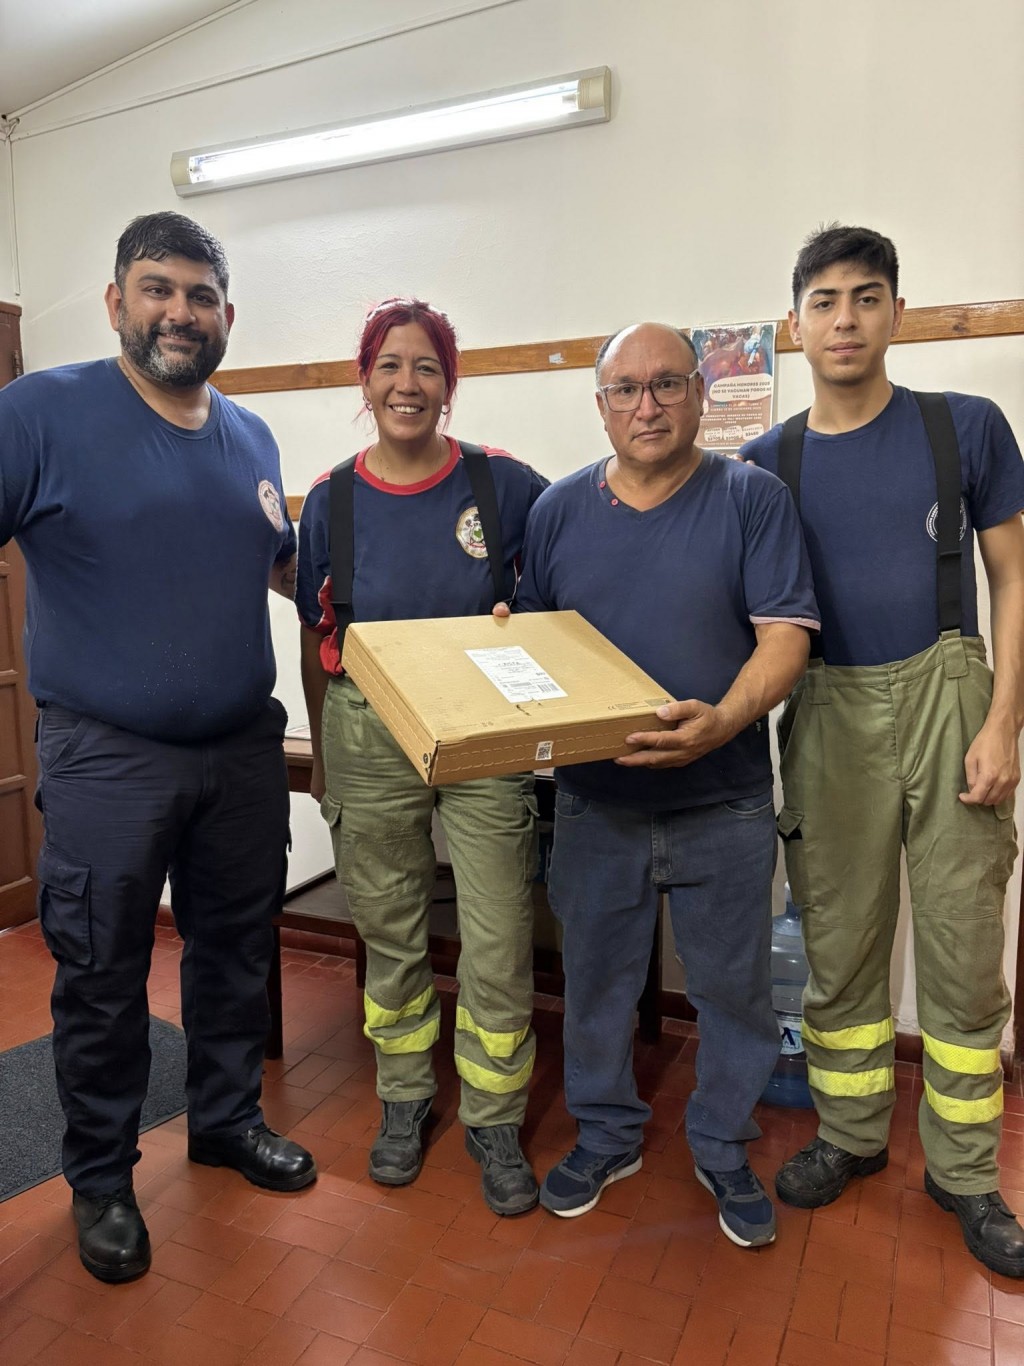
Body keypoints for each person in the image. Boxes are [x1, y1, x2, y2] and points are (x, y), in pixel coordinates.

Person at [0, 212, 316, 1284]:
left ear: (227, 314)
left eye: (199, 294)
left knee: (236, 951)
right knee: (102, 973)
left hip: (238, 752)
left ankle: (225, 1118)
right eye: (157, 288)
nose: (179, 310)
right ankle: (99, 1175)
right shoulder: (40, 413)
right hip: (106, 754)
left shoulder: (251, 437)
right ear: (115, 302)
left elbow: (281, 563)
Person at [743, 224, 1024, 1277]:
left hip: (953, 699)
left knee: (960, 944)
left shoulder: (966, 430)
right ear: (797, 322)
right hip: (826, 716)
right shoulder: (766, 463)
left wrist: (1005, 720)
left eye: (866, 297)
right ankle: (851, 1135)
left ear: (896, 312)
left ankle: (963, 1170)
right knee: (842, 942)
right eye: (824, 300)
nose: (845, 319)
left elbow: (1014, 579)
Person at [511, 322, 818, 1247]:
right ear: (600, 405)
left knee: (732, 991)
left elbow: (786, 636)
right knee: (597, 983)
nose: (647, 406)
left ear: (700, 393)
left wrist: (723, 721)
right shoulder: (557, 511)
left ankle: (723, 1142)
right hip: (595, 805)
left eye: (667, 386)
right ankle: (608, 1133)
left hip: (723, 799)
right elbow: (536, 650)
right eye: (626, 390)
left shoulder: (751, 498)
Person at [296, 297, 548, 1216]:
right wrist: (324, 752)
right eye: (390, 366)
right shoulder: (331, 500)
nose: (409, 384)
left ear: (450, 383)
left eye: (427, 366)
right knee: (391, 925)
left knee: (495, 928)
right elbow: (312, 635)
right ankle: (405, 1099)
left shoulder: (506, 486)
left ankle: (494, 1113)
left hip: (483, 726)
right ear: (366, 382)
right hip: (369, 728)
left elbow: (562, 601)